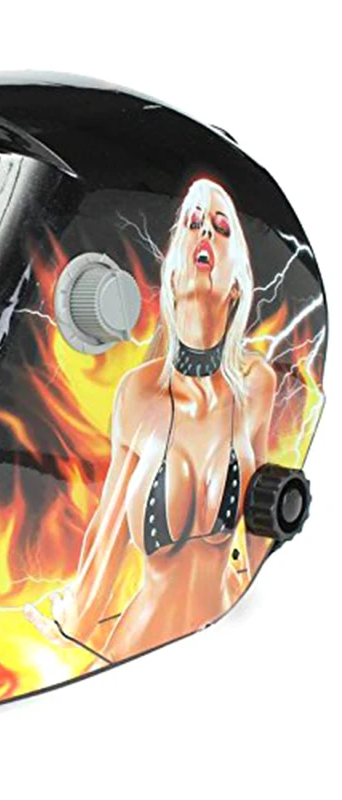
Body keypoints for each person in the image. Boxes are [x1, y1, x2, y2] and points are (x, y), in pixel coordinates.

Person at [27, 178, 276, 663]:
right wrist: (71, 629)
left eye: (221, 227)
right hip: (141, 652)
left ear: (238, 284)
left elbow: (260, 527)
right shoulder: (138, 394)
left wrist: (260, 620)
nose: (205, 233)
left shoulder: (255, 385)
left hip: (228, 639)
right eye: (193, 223)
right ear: (172, 272)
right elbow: (108, 532)